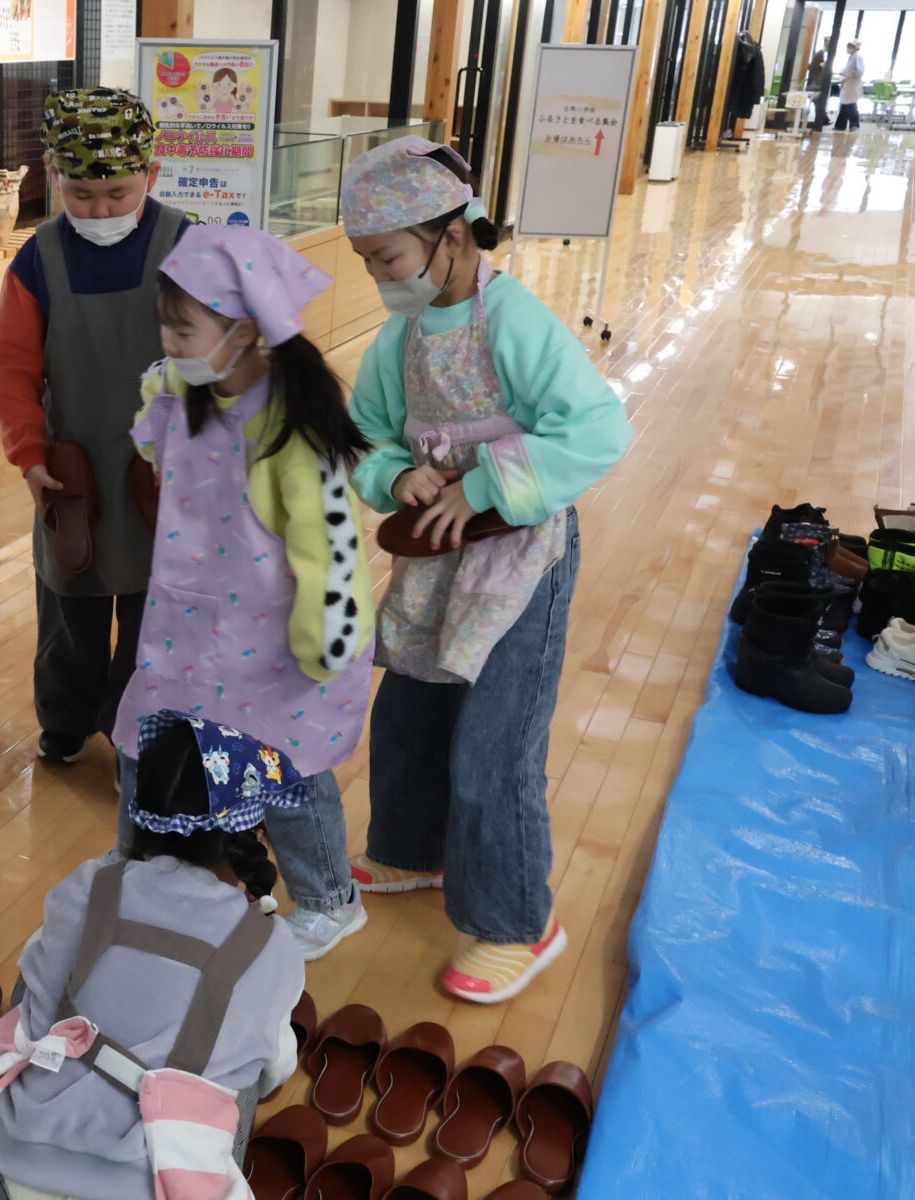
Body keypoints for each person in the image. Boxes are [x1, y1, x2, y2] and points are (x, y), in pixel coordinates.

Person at [338, 138, 631, 1004]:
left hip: (520, 560)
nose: (380, 278)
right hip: (439, 558)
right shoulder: (398, 339)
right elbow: (363, 437)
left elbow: (598, 431)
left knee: (494, 742)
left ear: (453, 239)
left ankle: (516, 922)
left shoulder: (519, 323)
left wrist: (486, 481)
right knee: (412, 714)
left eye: (388, 259)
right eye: (368, 263)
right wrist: (397, 475)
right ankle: (408, 850)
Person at [110, 224, 375, 961]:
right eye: (165, 323)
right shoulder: (187, 393)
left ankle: (329, 899)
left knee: (286, 772)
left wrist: (328, 638)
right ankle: (140, 864)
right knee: (146, 742)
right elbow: (151, 441)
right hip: (186, 623)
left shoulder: (293, 430)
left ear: (246, 331)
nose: (168, 340)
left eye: (182, 327)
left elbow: (329, 548)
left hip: (273, 644)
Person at [0, 711, 305, 1200]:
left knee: (40, 976)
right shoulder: (269, 944)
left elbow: (37, 980)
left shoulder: (90, 886)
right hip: (150, 1188)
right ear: (248, 833)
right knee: (244, 1075)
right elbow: (273, 1068)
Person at [0, 88, 187, 767]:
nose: (99, 211)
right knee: (68, 597)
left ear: (151, 177)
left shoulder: (187, 244)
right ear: (53, 175)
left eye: (117, 195)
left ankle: (134, 730)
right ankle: (65, 720)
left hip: (165, 465)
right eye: (81, 196)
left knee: (150, 607)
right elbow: (11, 367)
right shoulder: (37, 258)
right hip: (68, 461)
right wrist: (28, 451)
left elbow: (229, 355)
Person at [837, 40, 865, 131]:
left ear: (856, 47)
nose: (849, 48)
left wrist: (848, 77)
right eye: (849, 46)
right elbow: (848, 69)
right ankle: (840, 125)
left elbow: (859, 72)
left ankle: (854, 125)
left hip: (853, 84)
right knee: (844, 103)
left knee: (851, 104)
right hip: (847, 83)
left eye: (851, 46)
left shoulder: (858, 57)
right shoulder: (852, 57)